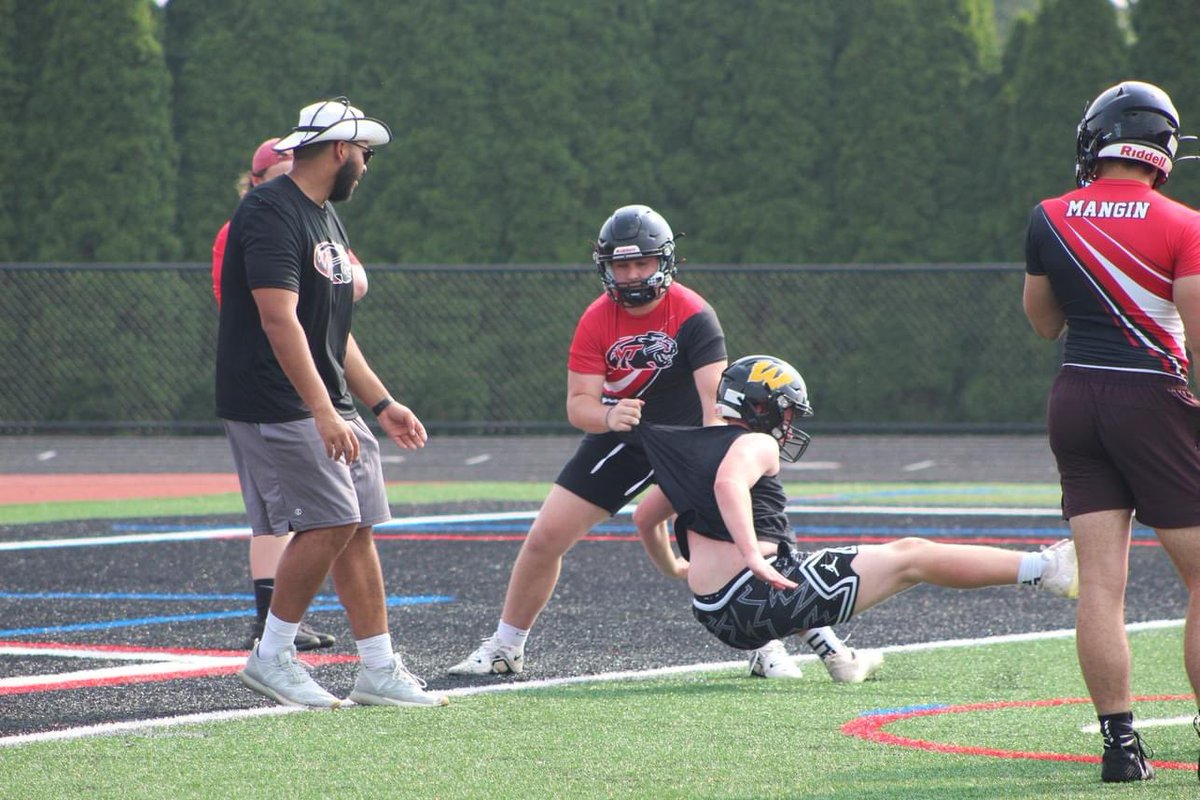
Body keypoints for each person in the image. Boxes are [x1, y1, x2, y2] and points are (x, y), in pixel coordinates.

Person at [448, 204, 880, 683]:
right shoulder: (596, 319)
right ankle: (507, 646)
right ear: (605, 266)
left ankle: (774, 642)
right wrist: (610, 415)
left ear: (665, 261)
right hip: (628, 438)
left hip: (695, 440)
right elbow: (578, 406)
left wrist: (707, 465)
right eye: (622, 265)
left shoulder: (693, 313)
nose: (632, 276)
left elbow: (718, 404)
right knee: (545, 537)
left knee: (738, 544)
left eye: (642, 264)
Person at [627, 354, 1078, 688]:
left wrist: (673, 568)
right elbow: (729, 484)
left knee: (796, 571)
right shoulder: (754, 444)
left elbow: (646, 518)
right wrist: (752, 556)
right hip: (754, 594)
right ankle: (1045, 571)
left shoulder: (690, 454)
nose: (788, 425)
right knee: (911, 556)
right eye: (785, 412)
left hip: (716, 615)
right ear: (760, 407)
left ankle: (839, 657)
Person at [217, 96, 446, 709]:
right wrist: (321, 410)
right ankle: (271, 657)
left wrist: (381, 403)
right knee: (332, 520)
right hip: (277, 400)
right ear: (340, 150)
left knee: (358, 525)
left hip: (328, 398)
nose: (367, 168)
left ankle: (377, 669)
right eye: (365, 154)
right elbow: (279, 319)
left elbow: (330, 330)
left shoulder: (323, 216)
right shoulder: (269, 209)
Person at [1022, 80, 1200, 782]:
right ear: (1162, 150)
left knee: (1101, 584)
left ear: (1095, 142)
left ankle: (1120, 748)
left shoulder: (1048, 217)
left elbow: (1043, 324)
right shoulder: (1184, 224)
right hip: (1152, 400)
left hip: (1075, 398)